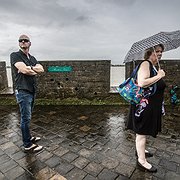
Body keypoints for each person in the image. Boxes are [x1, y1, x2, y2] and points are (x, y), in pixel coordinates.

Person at [126, 44, 166, 172]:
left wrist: (158, 73)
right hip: (143, 107)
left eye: (161, 52)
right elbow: (142, 82)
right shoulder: (145, 64)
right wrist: (159, 76)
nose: (160, 54)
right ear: (150, 52)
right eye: (157, 51)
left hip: (150, 106)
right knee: (141, 132)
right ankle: (141, 161)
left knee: (143, 131)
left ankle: (141, 150)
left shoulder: (153, 67)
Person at [10, 34, 44, 152]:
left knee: (28, 118)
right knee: (25, 118)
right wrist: (30, 69)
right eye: (21, 40)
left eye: (26, 40)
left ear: (30, 43)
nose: (23, 42)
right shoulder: (15, 55)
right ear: (19, 43)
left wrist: (30, 68)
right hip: (23, 91)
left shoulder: (32, 57)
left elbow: (41, 69)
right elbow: (23, 69)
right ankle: (27, 145)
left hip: (32, 90)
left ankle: (28, 137)